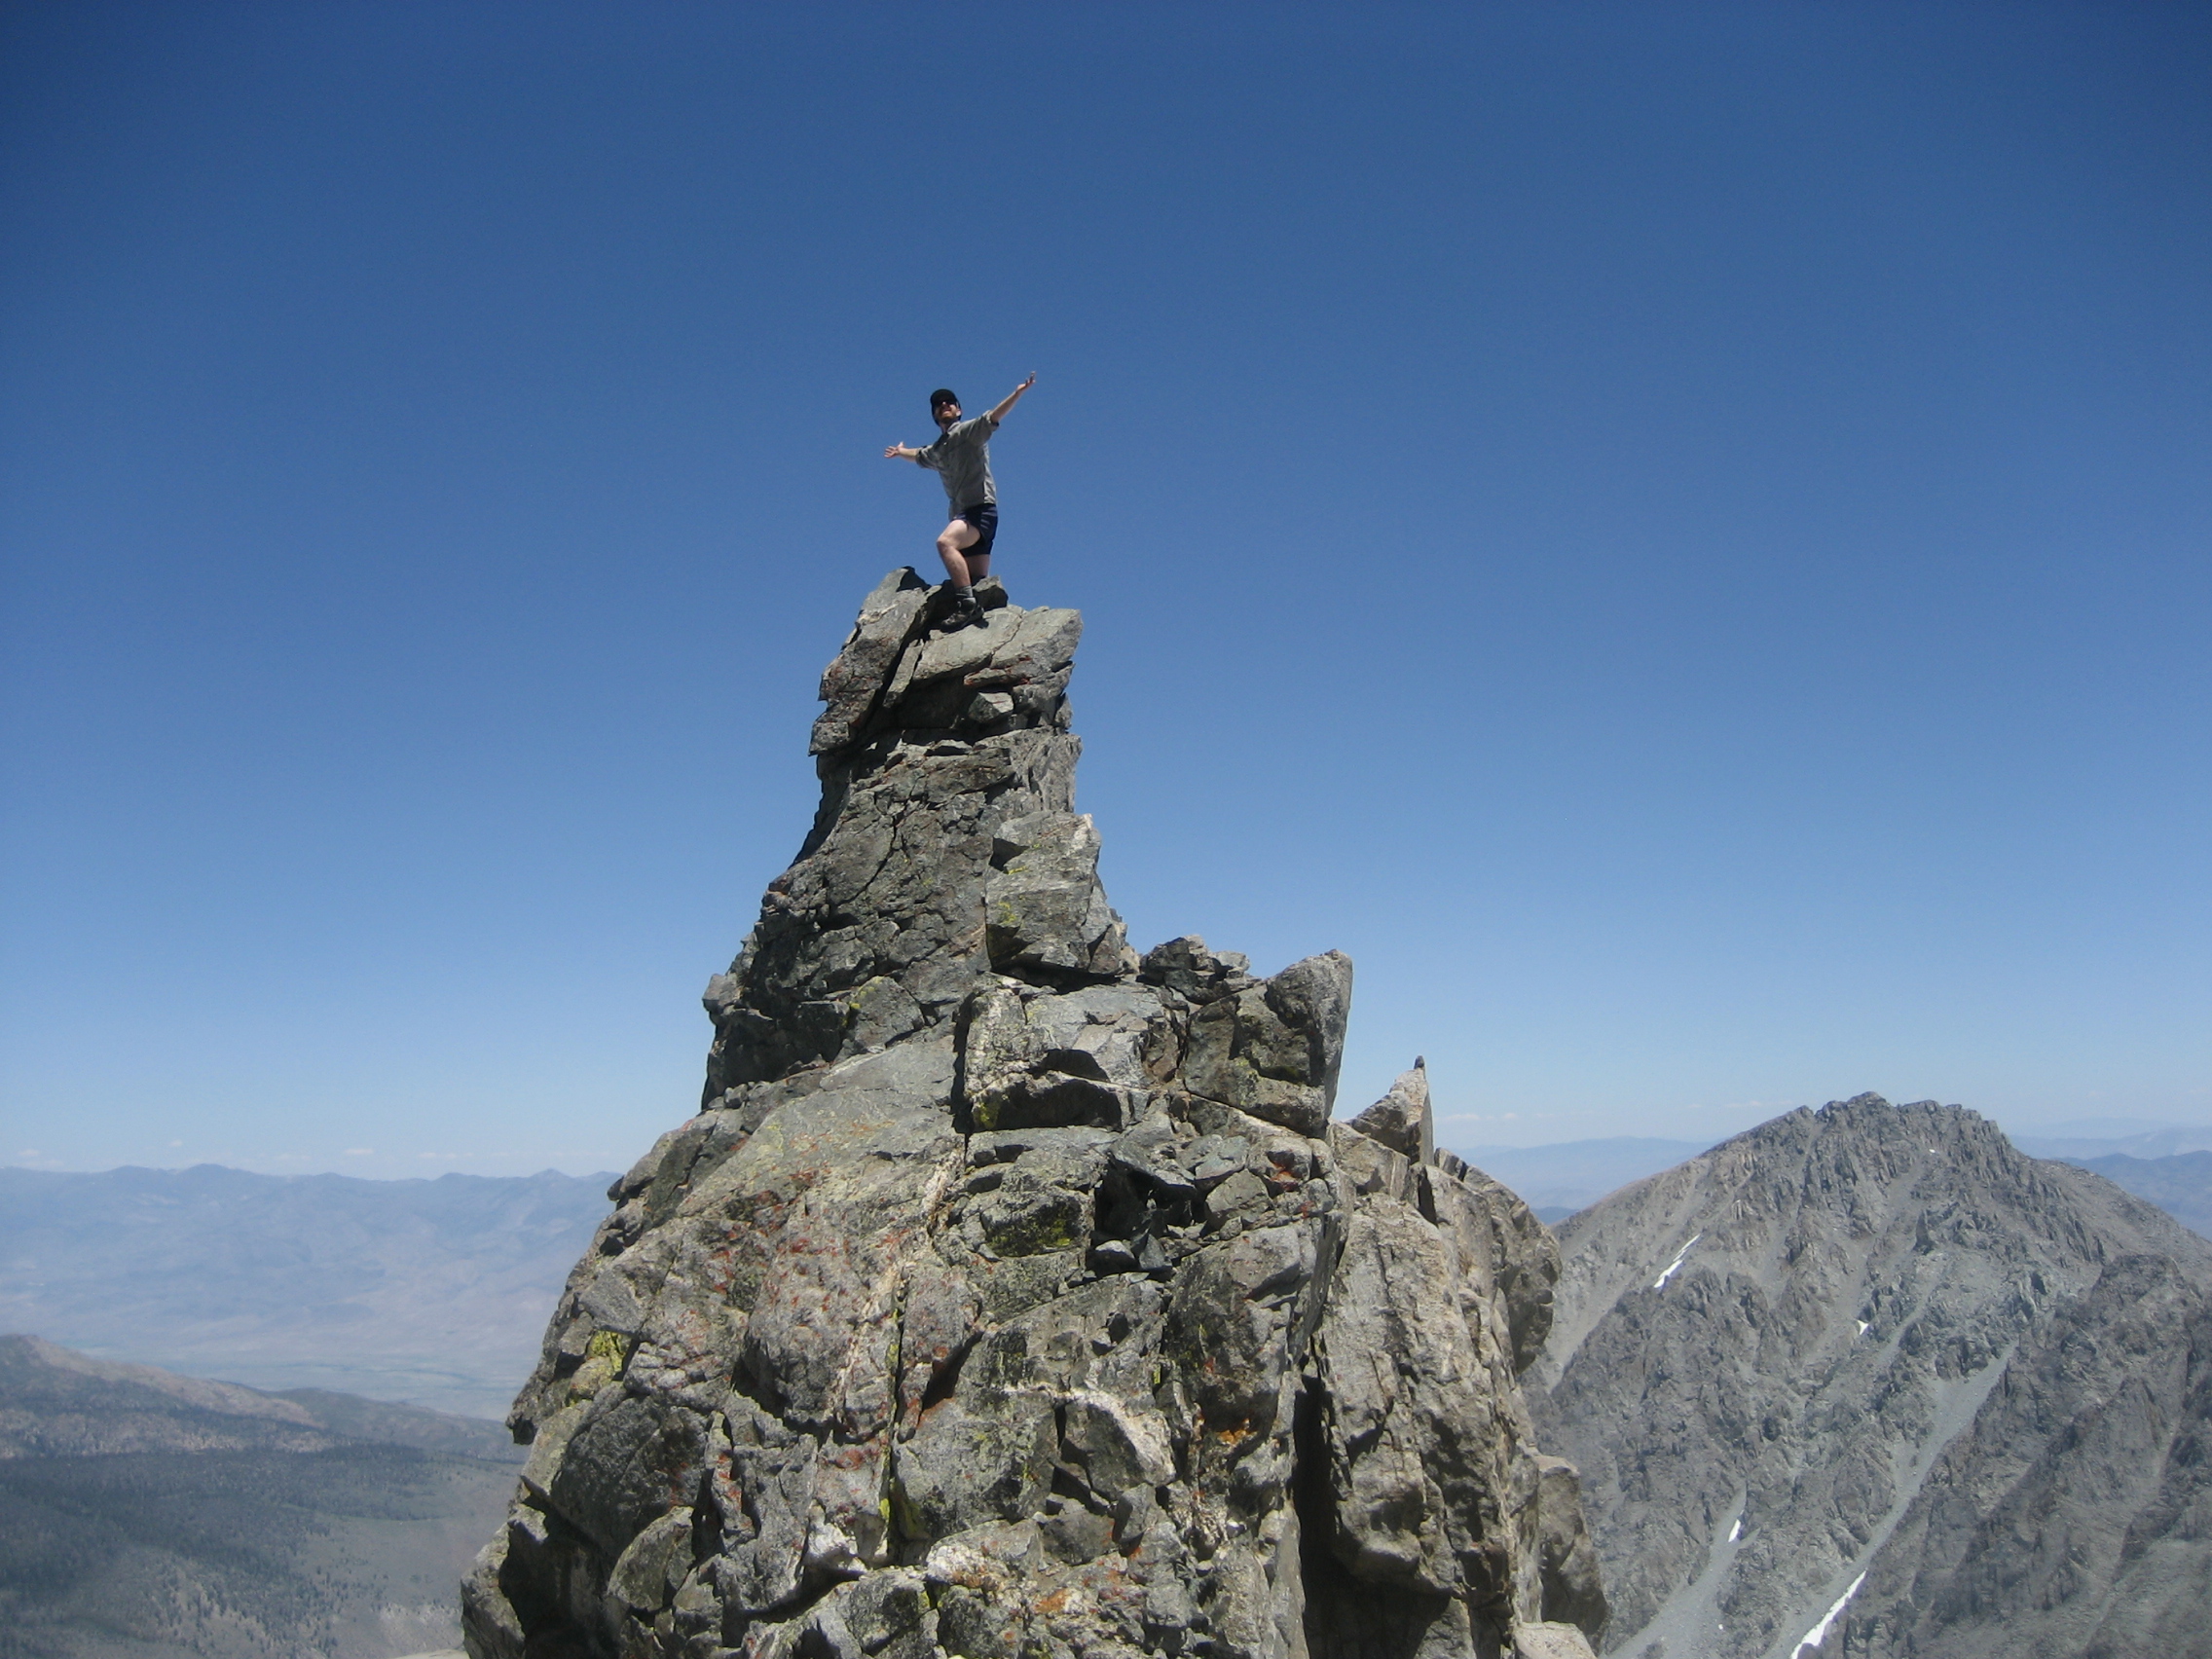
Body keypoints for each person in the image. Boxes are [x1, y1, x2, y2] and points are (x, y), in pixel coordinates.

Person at [884, 374, 1036, 630]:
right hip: (966, 517)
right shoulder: (938, 450)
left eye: (949, 402)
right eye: (939, 404)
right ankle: (980, 614)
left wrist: (1017, 393)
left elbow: (993, 417)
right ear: (934, 415)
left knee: (945, 543)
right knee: (978, 581)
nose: (944, 405)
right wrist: (901, 452)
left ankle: (967, 605)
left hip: (979, 511)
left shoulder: (968, 432)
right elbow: (919, 456)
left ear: (958, 410)